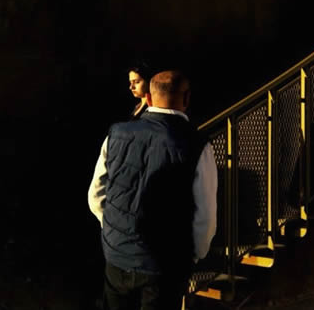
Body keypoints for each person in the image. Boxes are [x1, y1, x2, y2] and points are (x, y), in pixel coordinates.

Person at [88, 70, 218, 309]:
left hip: (116, 256)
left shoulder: (116, 133)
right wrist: (196, 254)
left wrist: (115, 233)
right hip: (164, 264)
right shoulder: (198, 146)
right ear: (187, 98)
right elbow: (206, 214)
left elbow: (96, 195)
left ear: (148, 98)